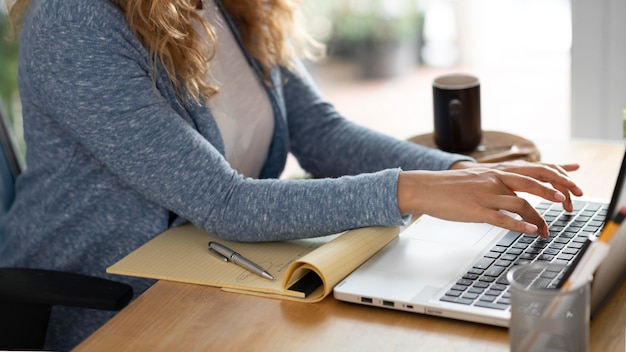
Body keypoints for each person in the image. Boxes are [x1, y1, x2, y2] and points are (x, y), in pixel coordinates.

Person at [2, 0, 582, 350]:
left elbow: (321, 132)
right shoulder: (75, 21)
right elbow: (223, 200)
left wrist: (460, 173)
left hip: (213, 274)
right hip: (111, 304)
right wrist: (413, 189)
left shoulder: (229, 7)